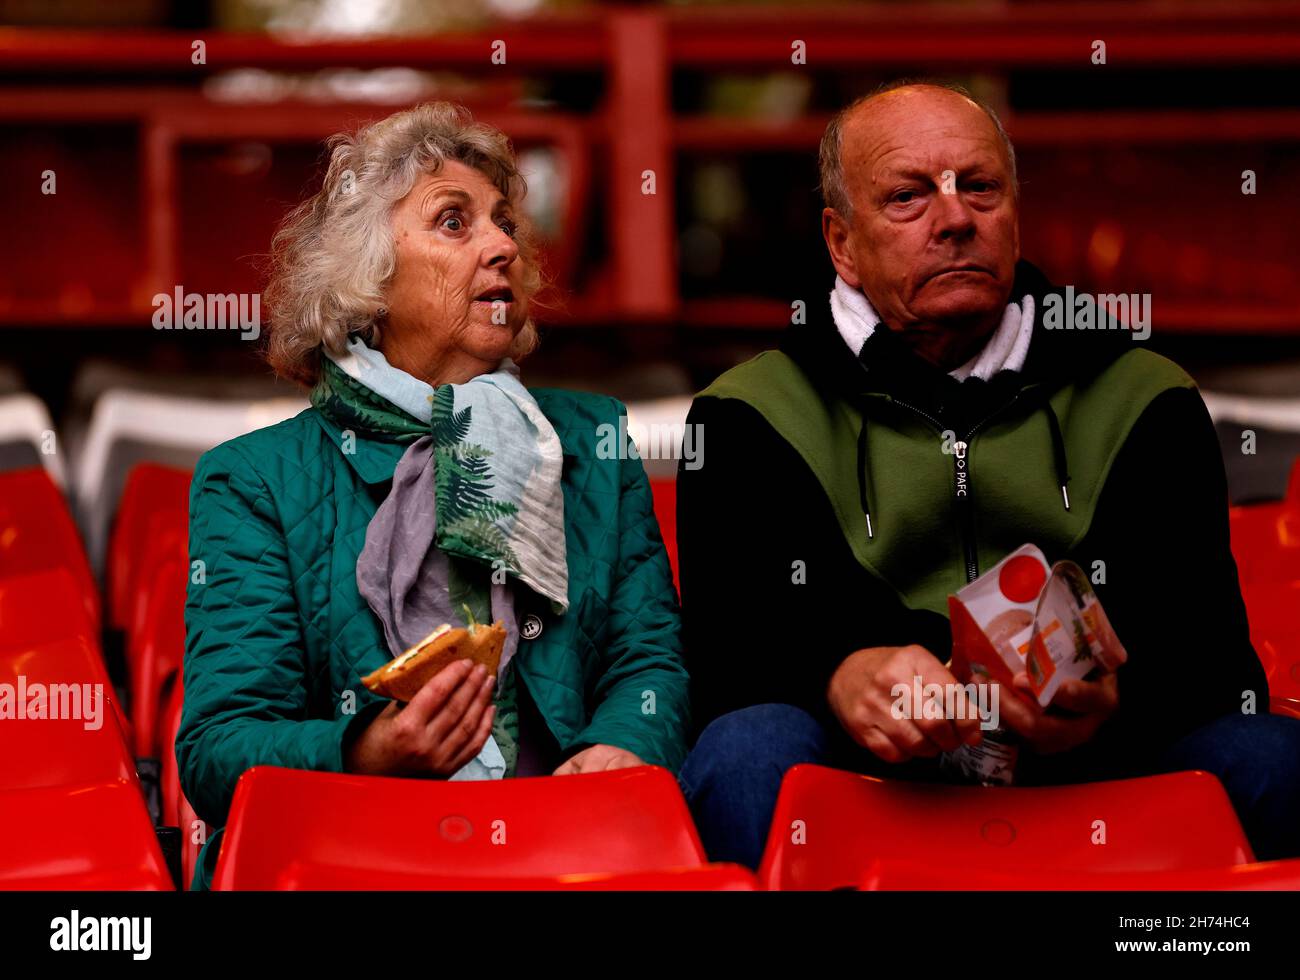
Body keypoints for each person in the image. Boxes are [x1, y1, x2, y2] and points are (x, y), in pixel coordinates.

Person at [676, 80, 1300, 870]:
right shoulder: (748, 414)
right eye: (908, 197)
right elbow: (731, 664)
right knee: (746, 748)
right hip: (871, 783)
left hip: (1101, 776)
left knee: (1274, 756)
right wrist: (842, 674)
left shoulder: (1146, 395)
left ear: (1013, 212)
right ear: (841, 243)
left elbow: (1212, 670)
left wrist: (1108, 698)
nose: (956, 219)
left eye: (980, 188)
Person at [178, 103, 688, 889]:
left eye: (506, 223)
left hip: (571, 851)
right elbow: (220, 749)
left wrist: (624, 748)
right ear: (367, 278)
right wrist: (366, 752)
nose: (504, 246)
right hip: (351, 858)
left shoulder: (591, 441)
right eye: (455, 223)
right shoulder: (253, 479)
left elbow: (648, 662)